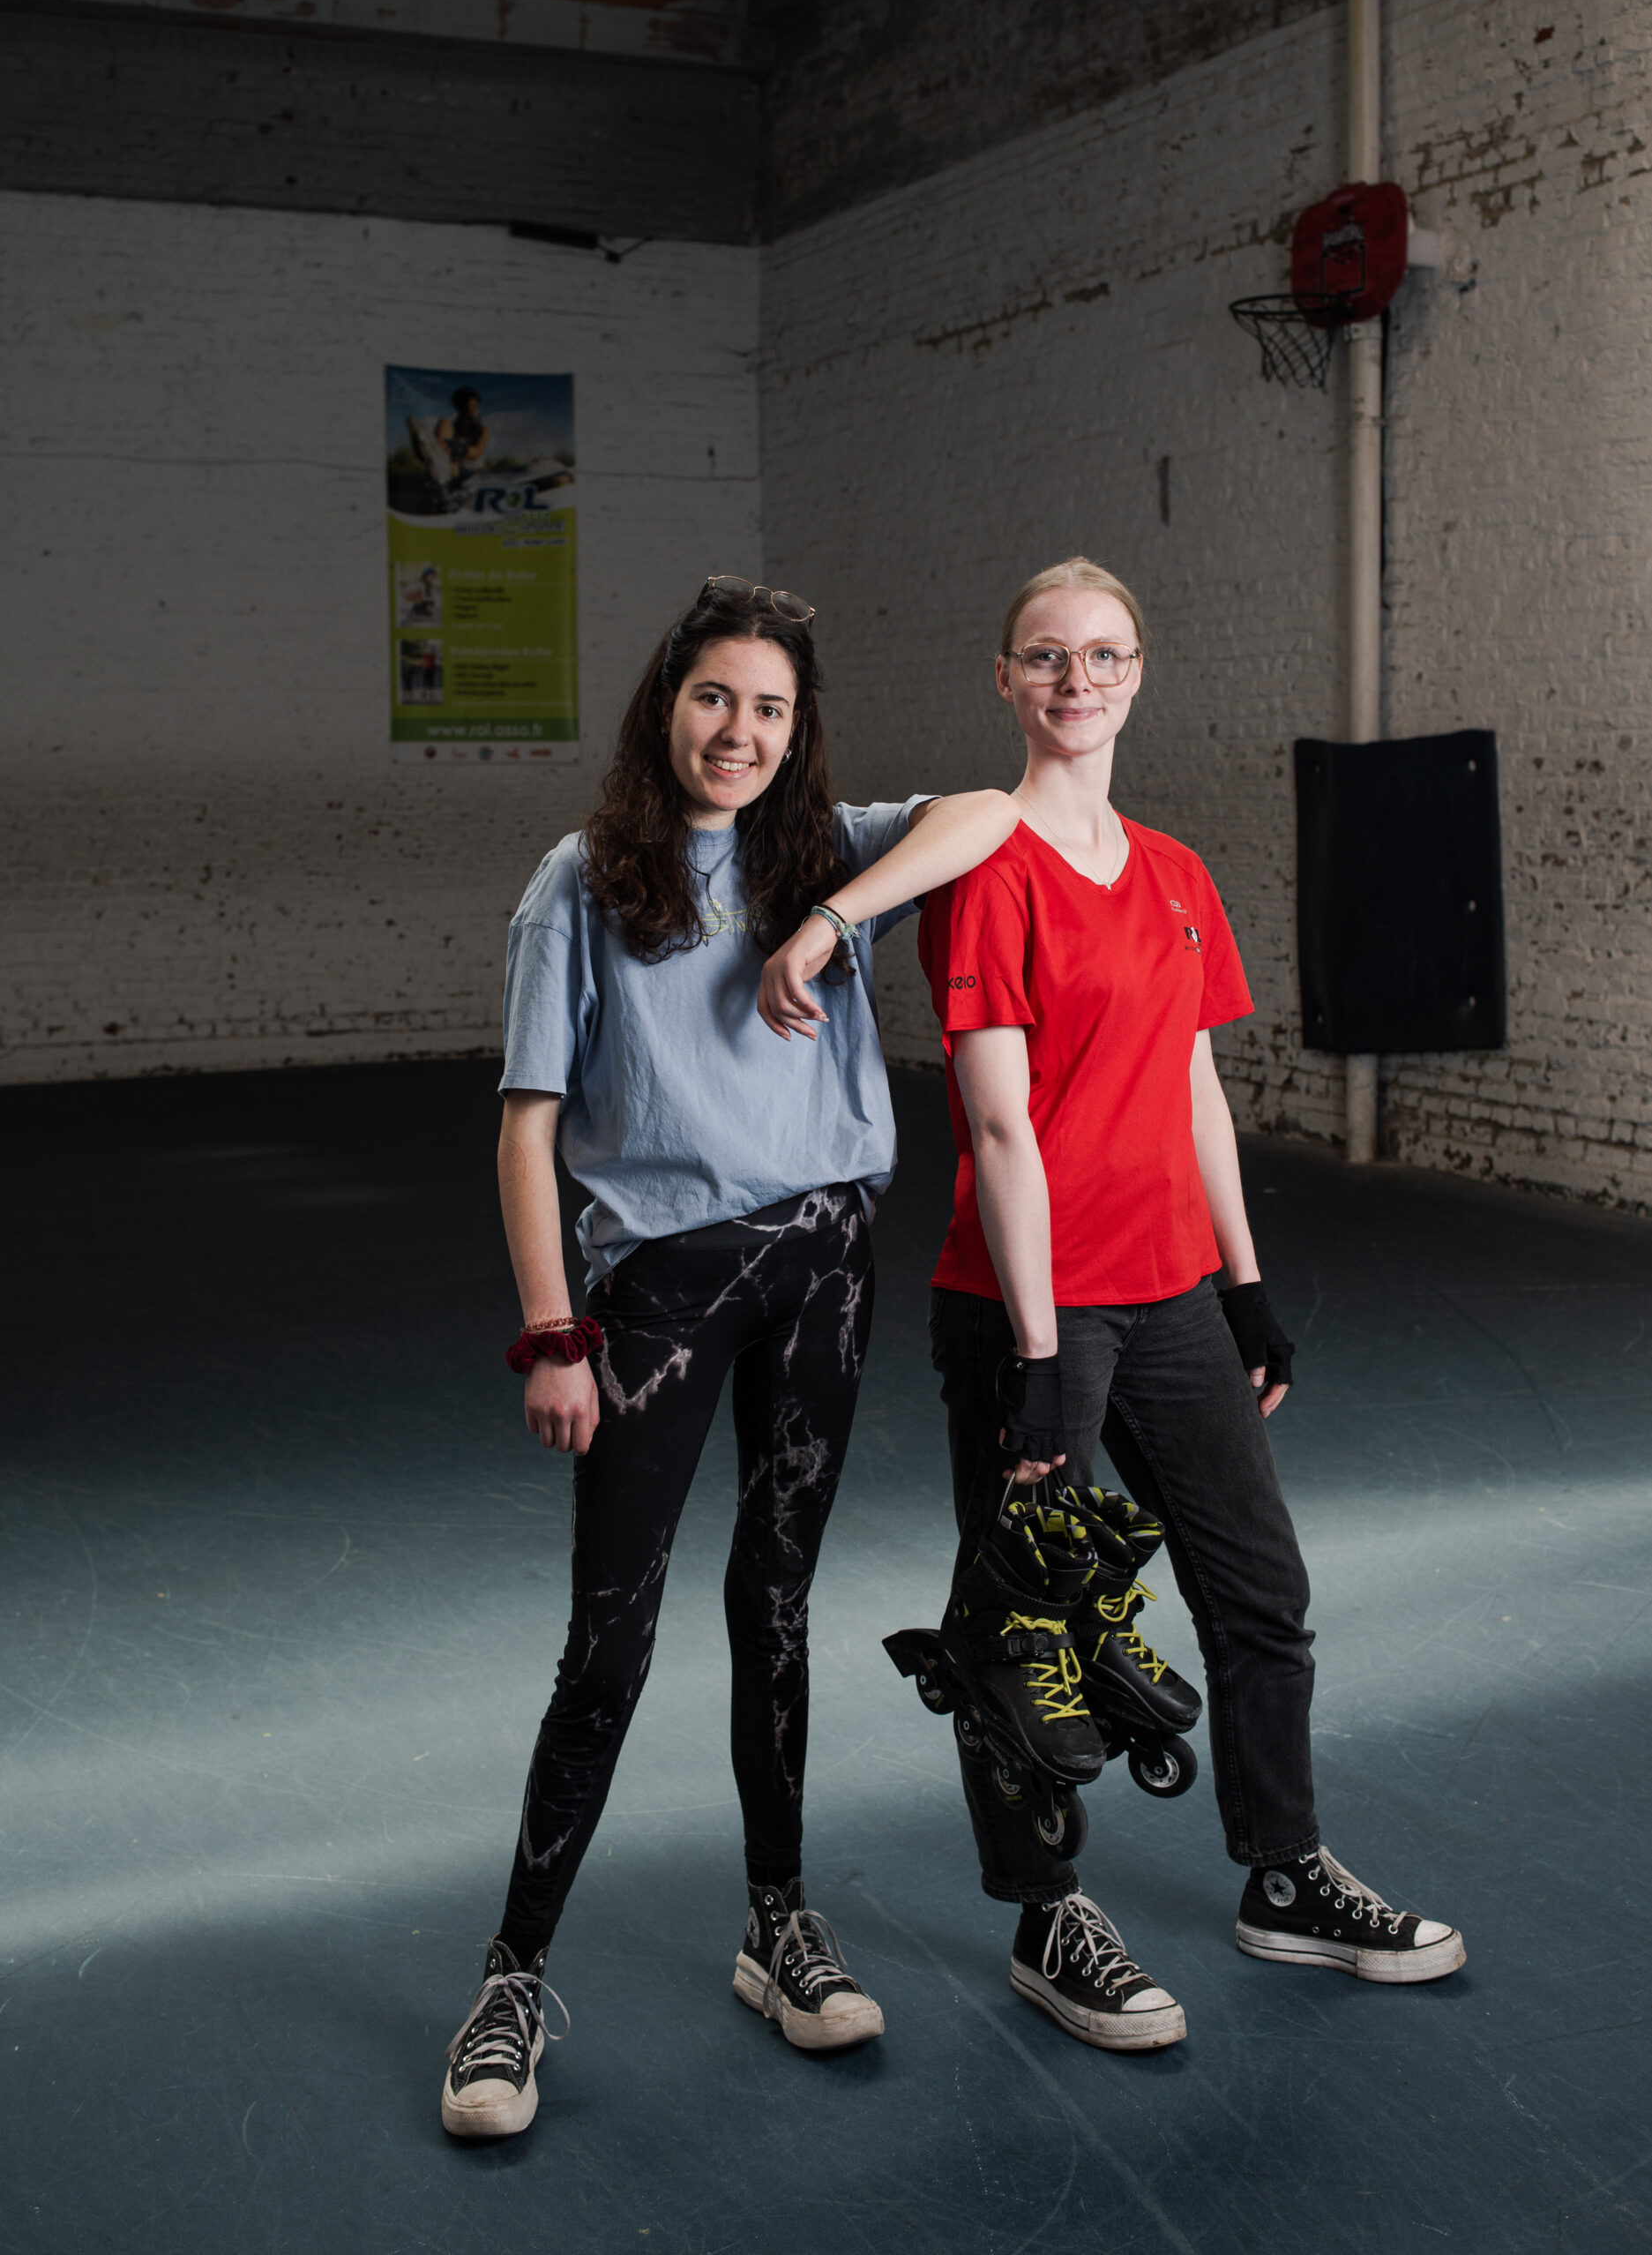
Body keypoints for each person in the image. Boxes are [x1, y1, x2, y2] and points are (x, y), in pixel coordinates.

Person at [440, 573, 1020, 2138]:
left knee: (776, 1604)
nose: (740, 731)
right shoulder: (581, 880)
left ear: (796, 729)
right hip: (661, 1290)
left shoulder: (822, 852)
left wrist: (831, 922)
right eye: (715, 698)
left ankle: (779, 1920)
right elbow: (528, 1125)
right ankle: (511, 1978)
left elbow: (988, 812)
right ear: (665, 704)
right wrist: (557, 1333)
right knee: (609, 1640)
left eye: (770, 708)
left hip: (825, 1261)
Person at [916, 556, 1465, 2052]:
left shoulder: (1172, 871)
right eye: (1044, 657)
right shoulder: (983, 873)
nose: (1074, 680)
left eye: (1101, 655)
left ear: (1139, 671)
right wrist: (1038, 1356)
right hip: (1030, 1306)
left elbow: (1194, 1087)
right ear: (1006, 680)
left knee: (1257, 1596)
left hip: (1169, 1294)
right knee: (1029, 1626)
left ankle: (1281, 1875)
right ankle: (1046, 1912)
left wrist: (1245, 1283)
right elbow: (999, 1129)